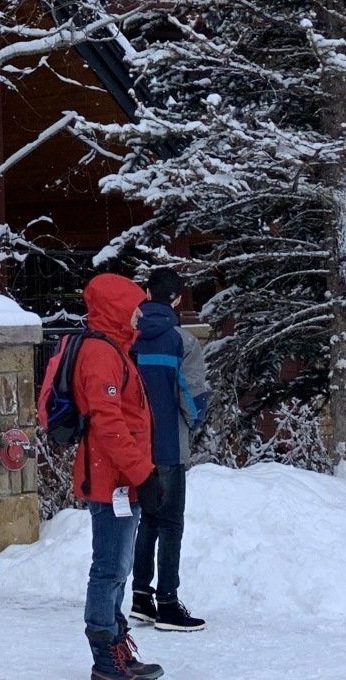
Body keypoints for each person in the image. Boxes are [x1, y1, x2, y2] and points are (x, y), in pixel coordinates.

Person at [73, 272, 166, 680]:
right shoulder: (101, 354)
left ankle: (116, 646)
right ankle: (106, 657)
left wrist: (142, 474)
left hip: (121, 479)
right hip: (110, 480)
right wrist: (143, 473)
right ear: (114, 309)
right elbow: (108, 423)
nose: (139, 317)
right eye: (133, 309)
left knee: (119, 566)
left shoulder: (116, 348)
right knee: (109, 567)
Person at [129, 266, 211, 633]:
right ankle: (168, 604)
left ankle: (141, 598)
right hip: (168, 446)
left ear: (147, 294)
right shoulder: (183, 342)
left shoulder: (129, 337)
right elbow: (192, 398)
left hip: (134, 447)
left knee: (147, 520)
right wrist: (194, 422)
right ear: (177, 298)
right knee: (171, 524)